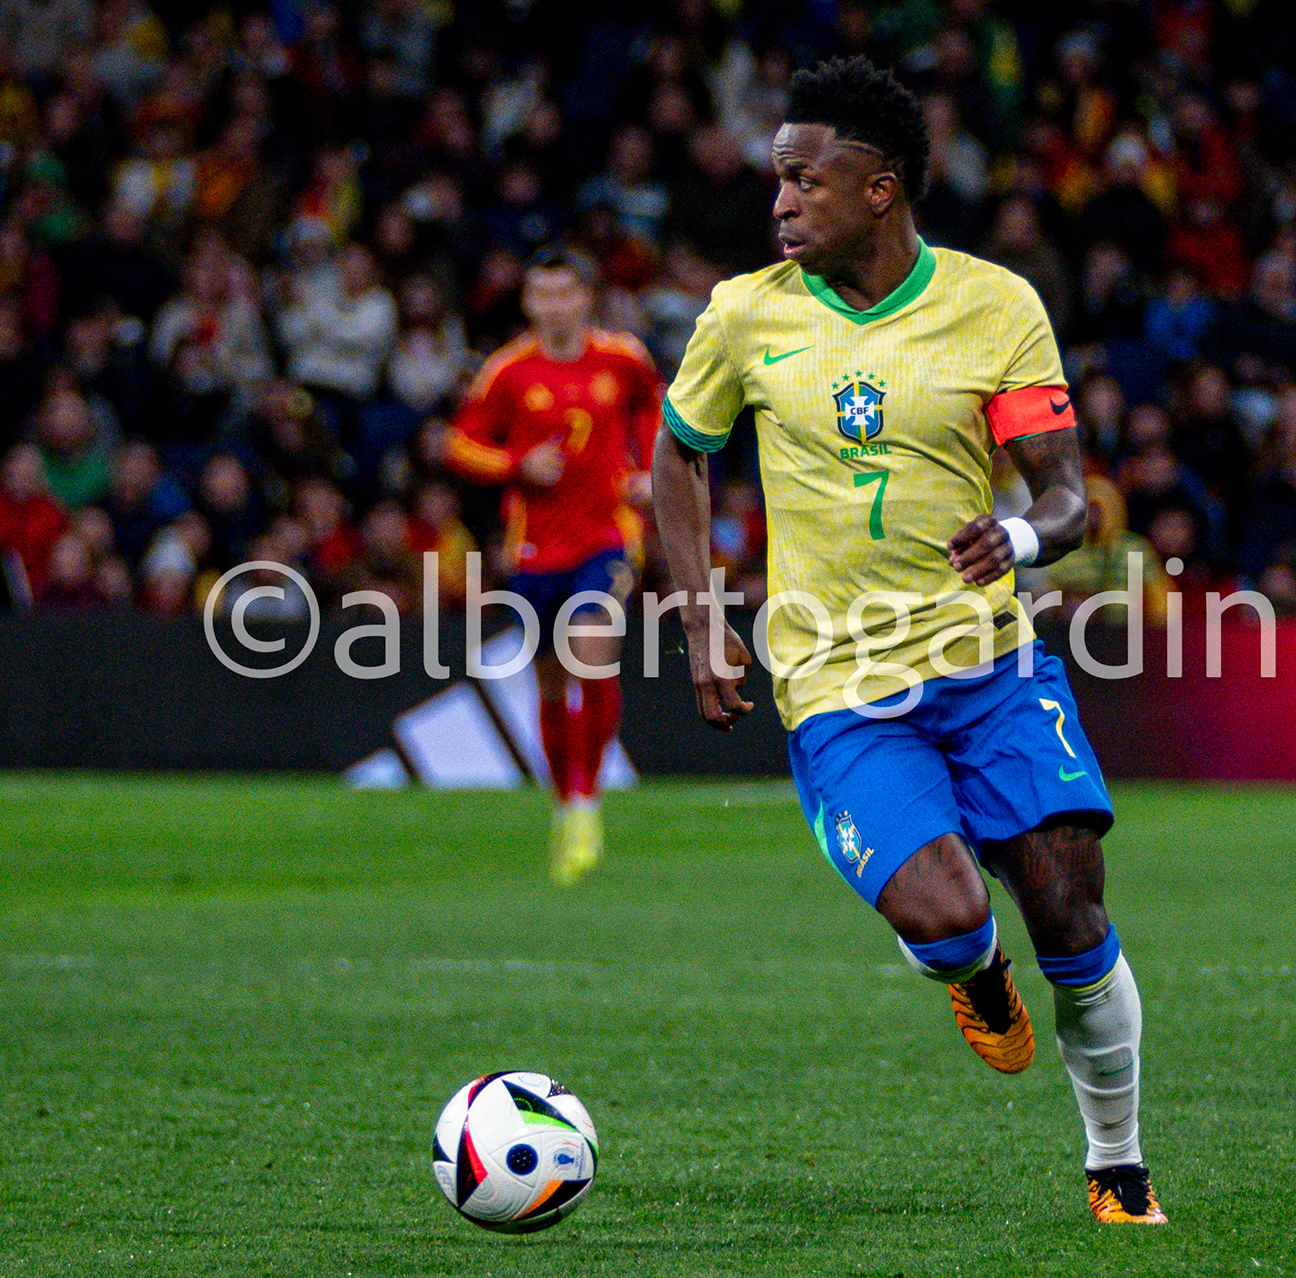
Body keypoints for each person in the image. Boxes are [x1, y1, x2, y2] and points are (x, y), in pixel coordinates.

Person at [649, 57, 1165, 1226]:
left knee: (1070, 914)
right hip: (838, 679)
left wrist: (1020, 538)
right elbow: (678, 453)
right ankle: (972, 976)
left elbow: (1067, 496)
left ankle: (1118, 1162)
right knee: (949, 917)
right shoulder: (745, 315)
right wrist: (701, 618)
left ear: (879, 188)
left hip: (989, 666)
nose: (781, 202)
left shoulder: (996, 306)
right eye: (778, 179)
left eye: (805, 180)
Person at [444, 247, 662, 885]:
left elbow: (655, 411)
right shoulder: (508, 371)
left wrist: (650, 470)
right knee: (549, 681)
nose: (554, 306)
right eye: (543, 295)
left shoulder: (624, 358)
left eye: (565, 293)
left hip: (608, 535)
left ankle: (587, 799)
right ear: (528, 302)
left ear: (586, 298)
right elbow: (460, 444)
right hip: (535, 546)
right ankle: (565, 801)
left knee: (591, 648)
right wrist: (517, 466)